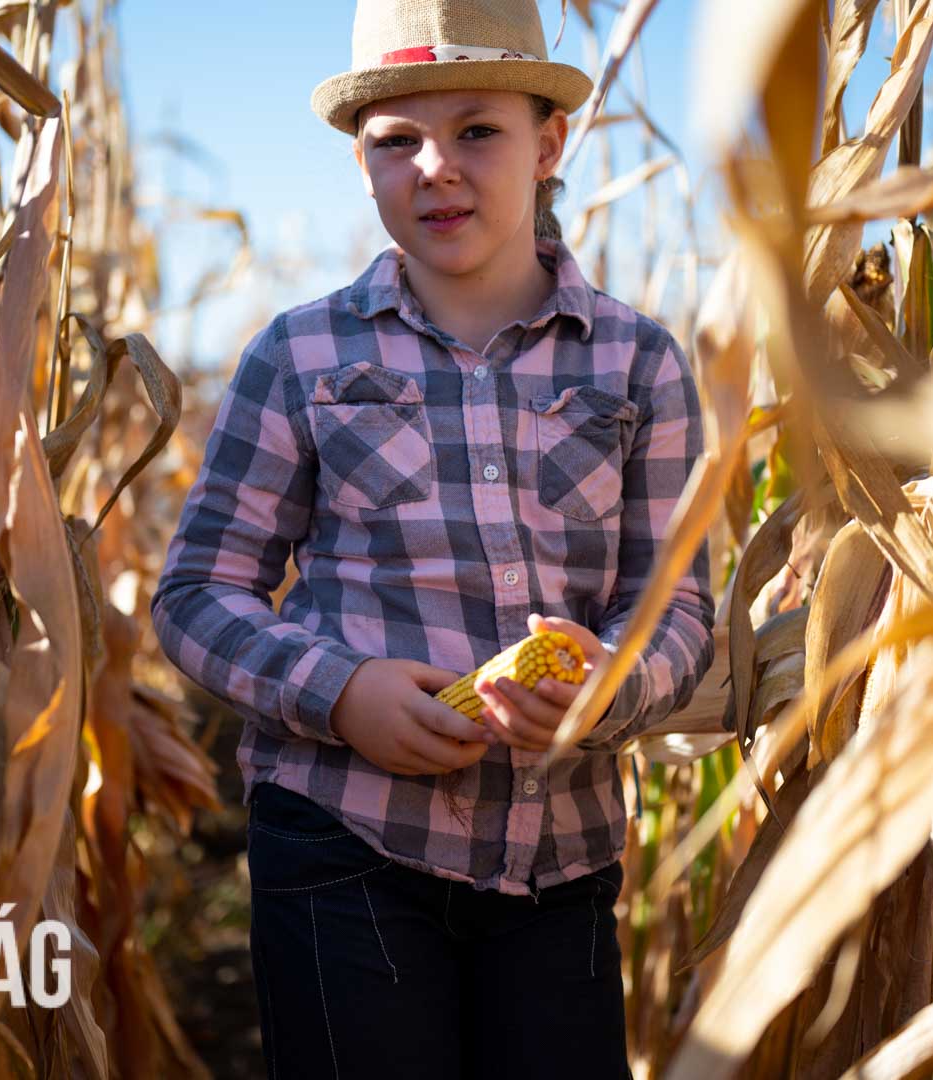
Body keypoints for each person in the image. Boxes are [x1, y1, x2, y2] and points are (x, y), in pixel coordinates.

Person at [151, 0, 716, 1075]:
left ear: (548, 144)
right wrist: (340, 693)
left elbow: (675, 604)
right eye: (396, 140)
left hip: (561, 860)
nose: (435, 168)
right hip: (341, 841)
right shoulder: (299, 356)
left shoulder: (638, 364)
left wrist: (612, 685)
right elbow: (195, 597)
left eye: (477, 130)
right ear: (361, 163)